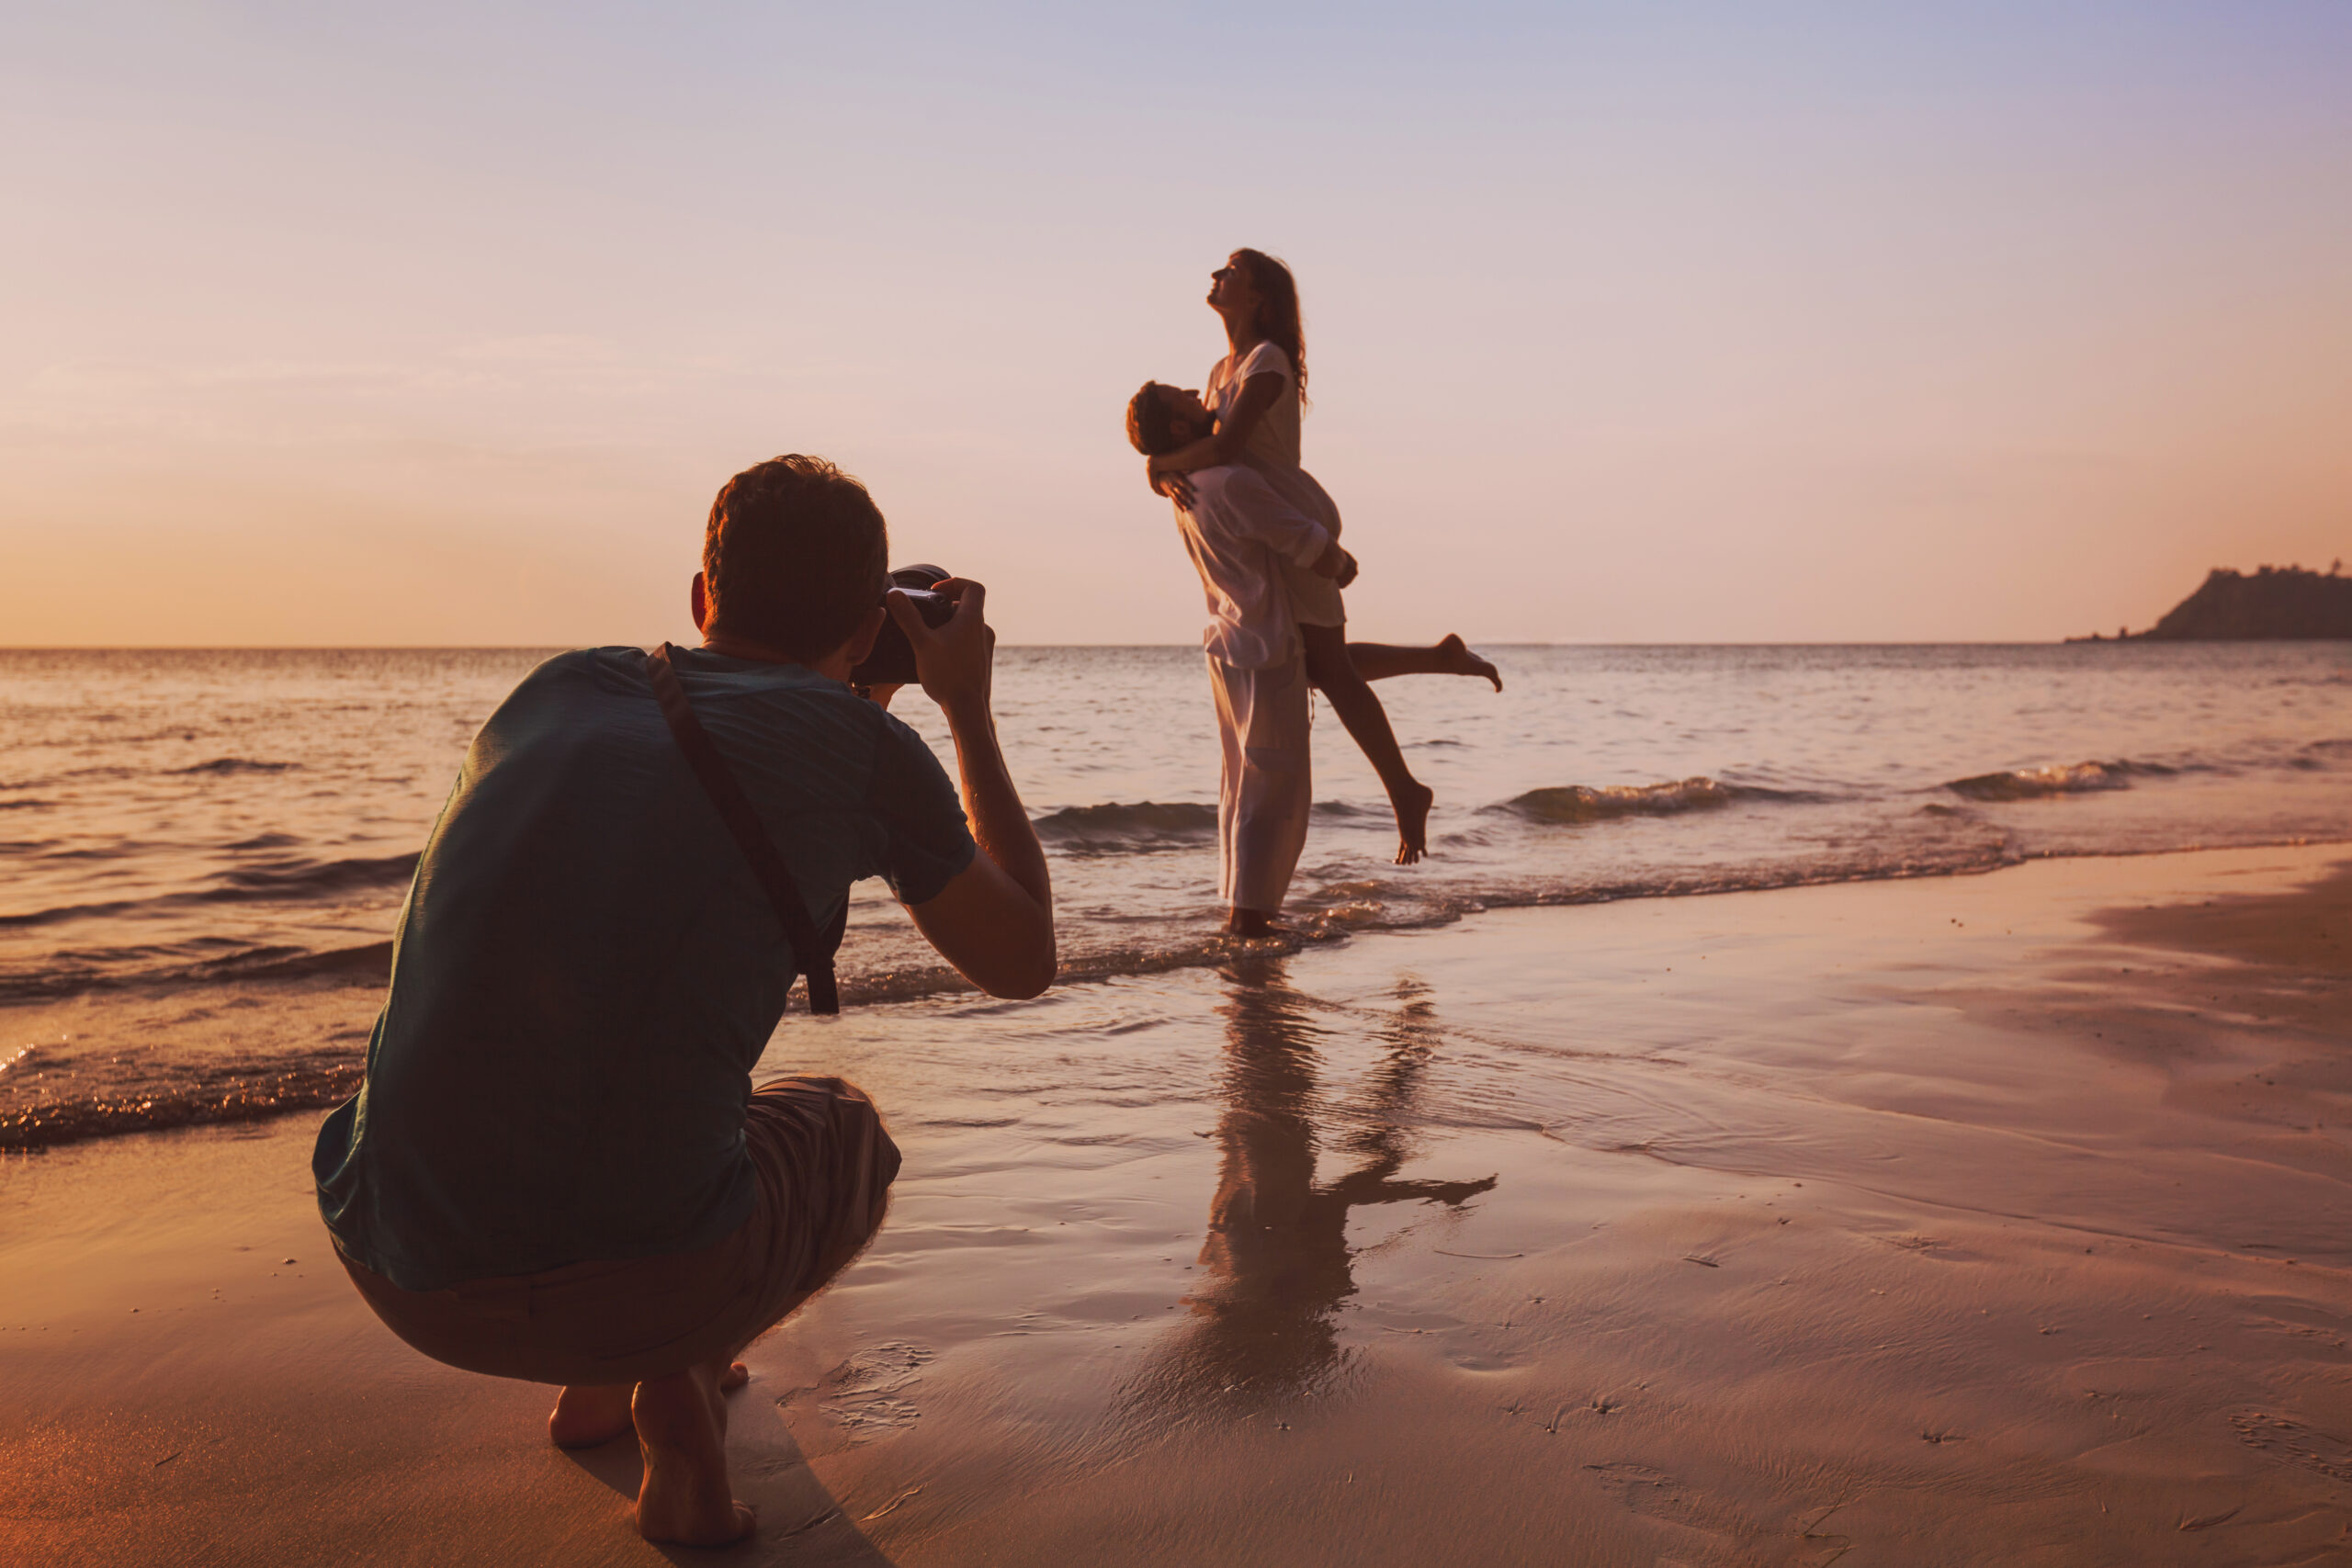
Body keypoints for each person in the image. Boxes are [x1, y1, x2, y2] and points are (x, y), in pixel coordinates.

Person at [311, 455, 1054, 1548]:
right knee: (844, 1131)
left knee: (606, 1063)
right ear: (862, 633)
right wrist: (966, 711)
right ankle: (681, 1403)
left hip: (396, 1258)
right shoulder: (864, 751)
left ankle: (598, 1389)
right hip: (643, 1285)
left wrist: (856, 687)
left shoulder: (557, 690)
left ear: (702, 598)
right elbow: (1024, 957)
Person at [1143, 248, 1500, 866]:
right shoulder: (1216, 371)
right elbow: (1201, 443)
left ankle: (1406, 791)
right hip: (1264, 532)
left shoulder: (1266, 361)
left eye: (1232, 272)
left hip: (1294, 523)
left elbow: (1223, 443)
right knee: (1312, 663)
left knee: (1327, 669)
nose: (1216, 276)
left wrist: (1158, 464)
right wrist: (1158, 470)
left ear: (1260, 300)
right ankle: (1439, 661)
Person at [1126, 383, 1347, 934]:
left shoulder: (1187, 486)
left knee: (1242, 784)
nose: (1199, 392)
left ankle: (1244, 913)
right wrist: (1340, 563)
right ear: (1180, 428)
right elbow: (1306, 542)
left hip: (1227, 643)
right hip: (1265, 645)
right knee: (1272, 788)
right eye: (1187, 398)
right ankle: (1249, 922)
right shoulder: (1230, 483)